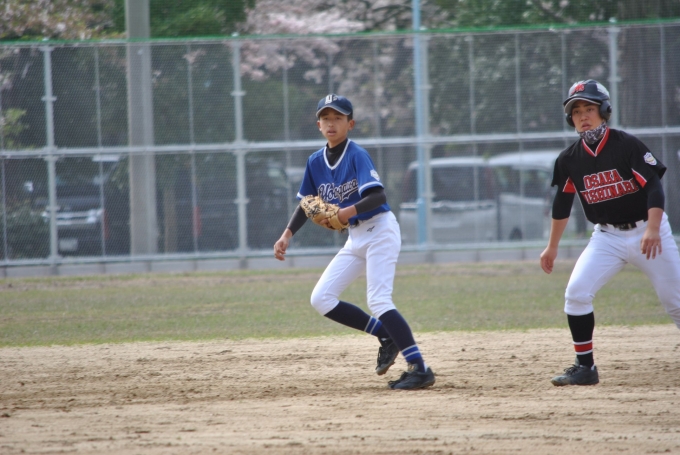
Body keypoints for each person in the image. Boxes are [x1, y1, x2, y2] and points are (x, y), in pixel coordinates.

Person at [273, 94, 435, 390]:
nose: (331, 123)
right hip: (356, 236)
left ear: (351, 124)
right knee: (321, 298)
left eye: (338, 118)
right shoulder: (315, 161)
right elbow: (306, 203)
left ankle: (420, 368)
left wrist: (344, 212)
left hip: (380, 230)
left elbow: (378, 196)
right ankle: (385, 334)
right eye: (326, 118)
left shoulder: (357, 154)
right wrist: (286, 235)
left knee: (378, 299)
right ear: (318, 125)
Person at [540, 79, 680, 386]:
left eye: (589, 108)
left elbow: (654, 187)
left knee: (676, 301)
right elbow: (562, 202)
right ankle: (585, 368)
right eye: (576, 111)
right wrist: (552, 247)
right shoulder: (569, 159)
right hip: (607, 237)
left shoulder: (626, 145)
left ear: (604, 111)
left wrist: (653, 228)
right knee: (576, 294)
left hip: (648, 232)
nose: (583, 115)